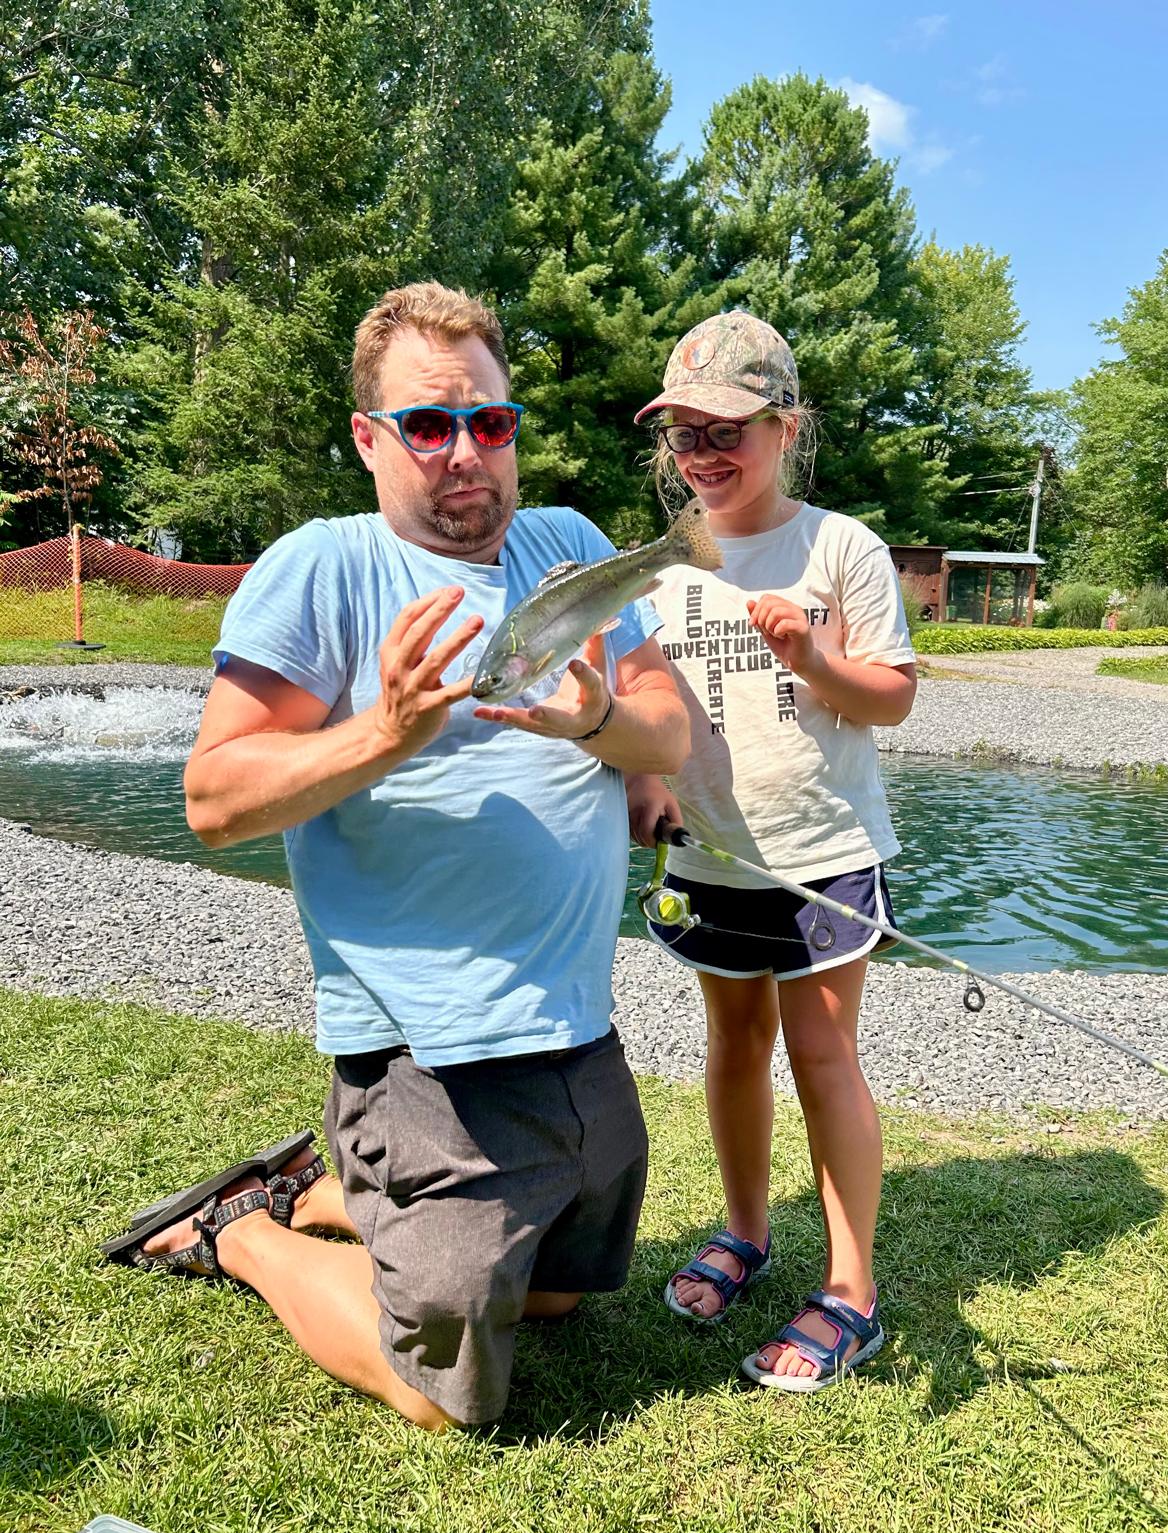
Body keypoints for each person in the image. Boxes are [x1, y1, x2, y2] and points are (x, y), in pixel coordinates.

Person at [101, 281, 690, 1431]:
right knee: (441, 1395)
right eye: (428, 423)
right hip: (427, 1054)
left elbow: (668, 731)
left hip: (575, 1029)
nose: (465, 451)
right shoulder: (321, 568)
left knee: (560, 1297)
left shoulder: (570, 547)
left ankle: (335, 1195)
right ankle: (246, 1232)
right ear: (370, 439)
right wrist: (384, 731)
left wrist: (600, 727)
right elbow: (213, 801)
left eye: (490, 421)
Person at [625, 310, 917, 1392]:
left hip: (823, 853)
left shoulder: (841, 548)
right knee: (733, 1045)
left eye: (728, 429)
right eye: (685, 433)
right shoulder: (659, 567)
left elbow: (891, 697)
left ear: (785, 429)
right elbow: (637, 701)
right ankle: (745, 1232)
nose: (704, 453)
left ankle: (851, 1292)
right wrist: (643, 778)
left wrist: (815, 659)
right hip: (708, 858)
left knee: (823, 1056)